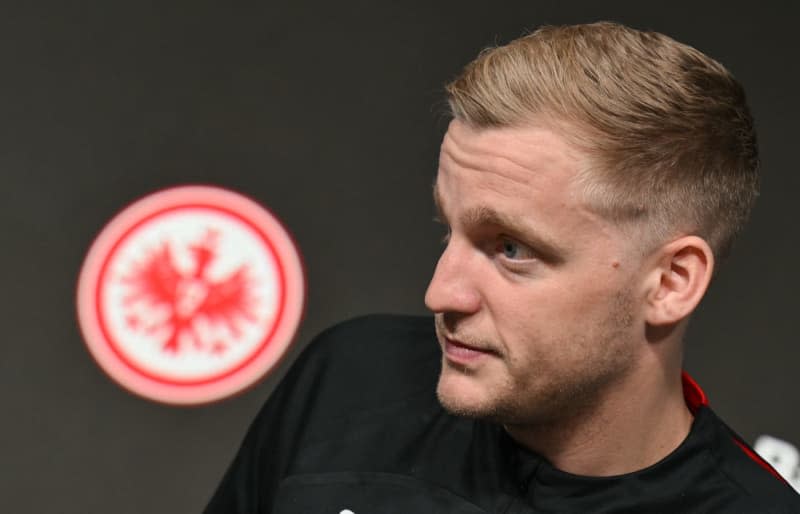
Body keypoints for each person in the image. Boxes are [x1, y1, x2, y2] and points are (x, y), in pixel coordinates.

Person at [204, 21, 800, 513]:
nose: (441, 293)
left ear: (671, 283)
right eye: (449, 229)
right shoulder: (349, 380)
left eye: (512, 249)